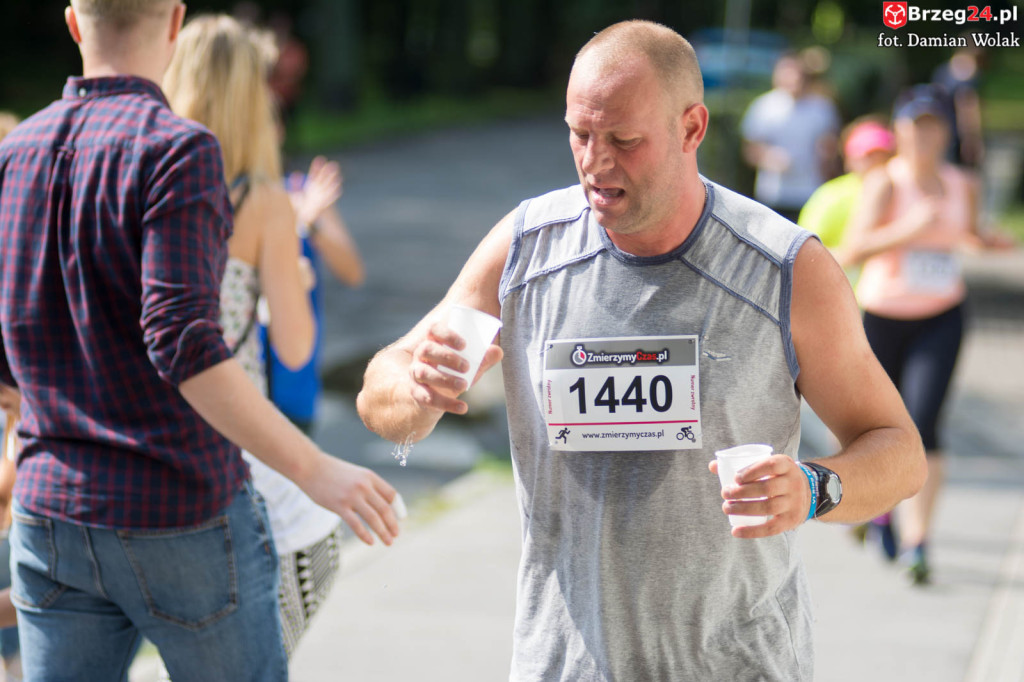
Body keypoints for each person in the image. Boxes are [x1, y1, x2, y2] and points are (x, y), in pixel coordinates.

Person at [357, 20, 925, 680]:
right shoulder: (526, 251)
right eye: (579, 134)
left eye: (624, 140)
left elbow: (899, 451)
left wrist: (815, 487)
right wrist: (418, 392)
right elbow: (381, 388)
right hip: (564, 664)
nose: (596, 161)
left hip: (736, 666)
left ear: (691, 129)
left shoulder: (782, 269)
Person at [0, 2, 399, 680]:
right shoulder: (176, 149)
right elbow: (182, 339)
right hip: (173, 504)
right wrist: (314, 469)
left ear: (72, 23)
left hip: (53, 513)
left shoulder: (13, 154)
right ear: (174, 20)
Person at [162, 13, 354, 657]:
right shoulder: (260, 201)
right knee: (309, 558)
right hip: (235, 439)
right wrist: (291, 274)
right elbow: (296, 347)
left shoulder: (141, 185)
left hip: (149, 437)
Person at [839, 84, 1013, 585]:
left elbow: (969, 235)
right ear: (899, 131)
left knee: (926, 423)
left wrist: (992, 243)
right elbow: (853, 250)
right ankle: (883, 507)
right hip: (884, 316)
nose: (924, 135)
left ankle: (919, 544)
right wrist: (908, 229)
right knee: (880, 424)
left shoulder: (964, 183)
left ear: (946, 132)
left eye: (934, 125)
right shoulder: (885, 184)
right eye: (915, 126)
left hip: (942, 315)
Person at [262, 155, 365, 435]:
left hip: (294, 379)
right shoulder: (226, 190)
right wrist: (298, 221)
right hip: (242, 378)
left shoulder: (300, 189)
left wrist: (312, 223)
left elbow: (352, 272)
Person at [741, 51, 841, 222]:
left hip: (811, 192)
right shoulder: (764, 106)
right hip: (774, 193)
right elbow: (750, 150)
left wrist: (827, 158)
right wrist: (769, 158)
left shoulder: (822, 108)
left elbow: (831, 148)